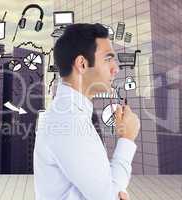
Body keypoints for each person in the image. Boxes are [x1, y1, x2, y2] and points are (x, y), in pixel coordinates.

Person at [33, 23, 140, 200]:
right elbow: (109, 196)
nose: (116, 69)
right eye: (107, 59)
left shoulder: (73, 115)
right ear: (82, 64)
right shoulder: (68, 121)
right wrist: (127, 139)